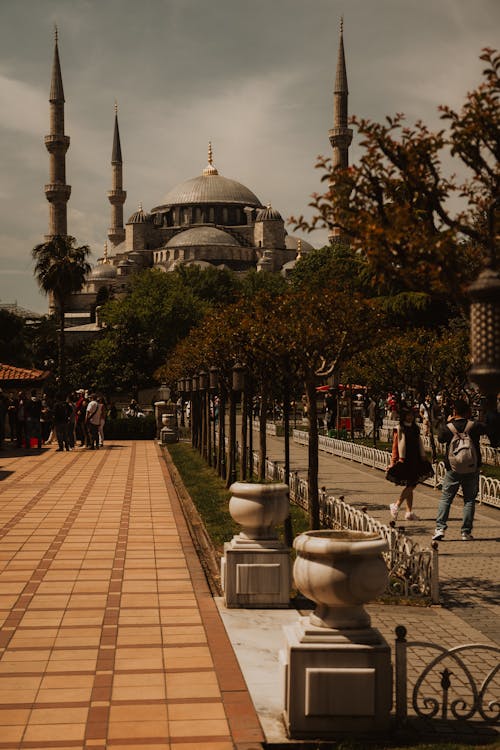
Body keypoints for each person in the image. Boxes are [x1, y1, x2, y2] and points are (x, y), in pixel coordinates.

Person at [432, 398, 496, 542]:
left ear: (454, 412)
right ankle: (465, 532)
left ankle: (440, 528)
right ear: (468, 412)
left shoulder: (449, 427)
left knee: (446, 498)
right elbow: (488, 428)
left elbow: (441, 438)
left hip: (452, 468)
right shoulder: (474, 426)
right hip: (471, 468)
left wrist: (448, 422)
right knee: (469, 500)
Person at [386, 406, 434, 521]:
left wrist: (423, 456)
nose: (410, 417)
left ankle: (409, 512)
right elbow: (395, 446)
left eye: (411, 415)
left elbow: (419, 442)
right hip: (405, 459)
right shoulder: (399, 428)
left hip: (416, 458)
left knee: (411, 484)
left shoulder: (415, 428)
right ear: (403, 416)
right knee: (412, 483)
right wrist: (393, 461)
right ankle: (396, 505)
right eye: (408, 415)